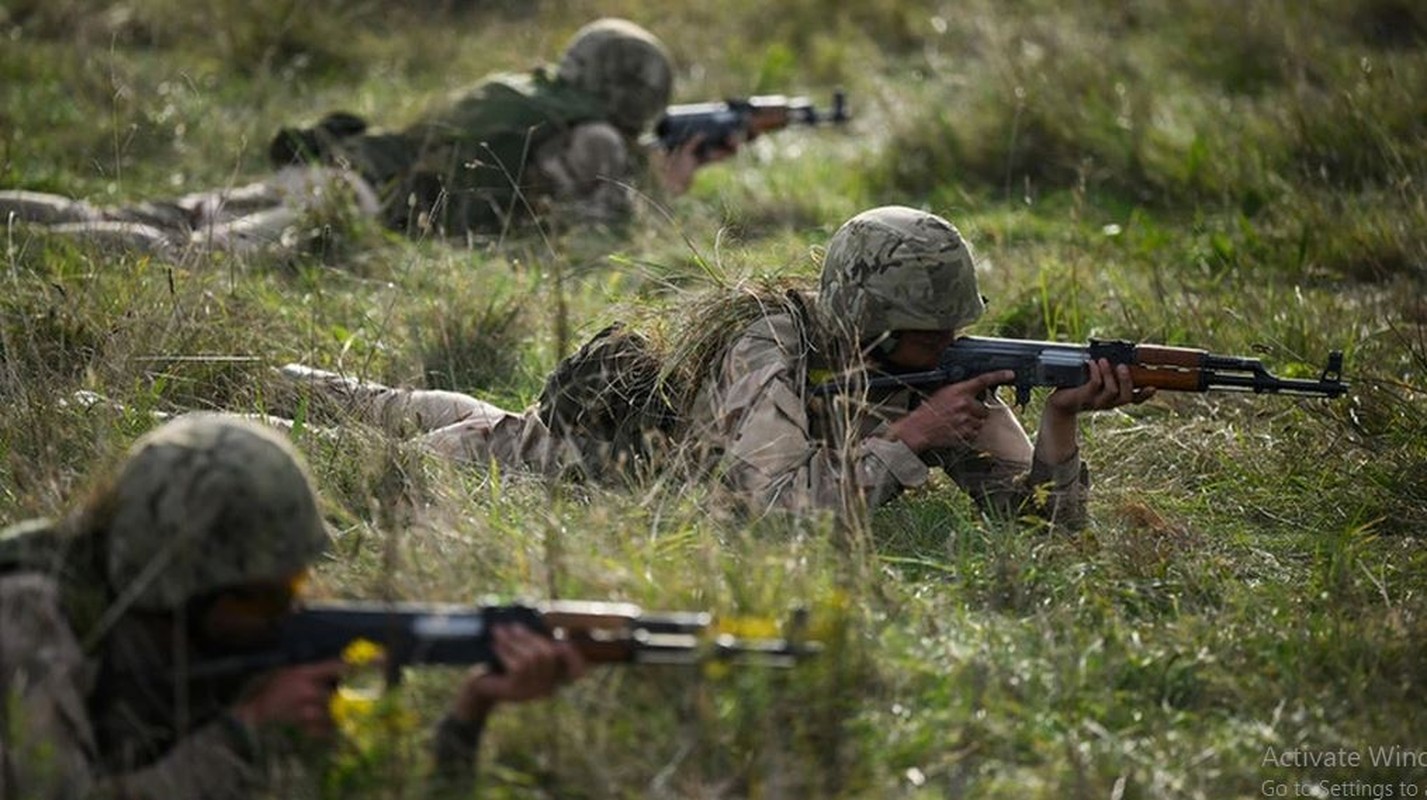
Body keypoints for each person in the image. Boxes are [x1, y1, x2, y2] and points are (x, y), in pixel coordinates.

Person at [275, 205, 1152, 526]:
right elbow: (767, 508)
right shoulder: (767, 338)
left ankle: (302, 389)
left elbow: (1040, 525)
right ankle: (265, 400)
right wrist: (910, 442)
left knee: (433, 407)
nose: (947, 348)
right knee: (376, 441)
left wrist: (1060, 423)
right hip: (549, 463)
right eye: (929, 333)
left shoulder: (934, 373)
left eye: (950, 330)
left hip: (526, 433)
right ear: (867, 323)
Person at [0, 412, 584, 798]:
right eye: (268, 597)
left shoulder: (223, 639)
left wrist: (470, 713)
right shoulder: (27, 619)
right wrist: (242, 738)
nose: (291, 611)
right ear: (180, 584)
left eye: (297, 583)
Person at [0, 18, 726, 258]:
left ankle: (21, 217)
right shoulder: (597, 139)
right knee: (184, 256)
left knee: (163, 216)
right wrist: (661, 192)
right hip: (352, 206)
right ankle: (37, 244)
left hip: (333, 171)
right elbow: (587, 248)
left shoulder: (521, 89)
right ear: (634, 92)